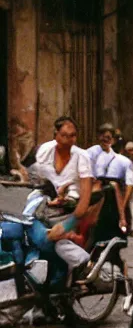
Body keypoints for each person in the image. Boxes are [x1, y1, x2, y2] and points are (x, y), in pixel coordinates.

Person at [20, 117, 96, 285]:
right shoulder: (43, 151)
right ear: (56, 135)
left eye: (73, 136)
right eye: (64, 135)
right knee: (20, 232)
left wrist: (66, 226)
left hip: (70, 212)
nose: (69, 140)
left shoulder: (82, 157)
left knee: (44, 239)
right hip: (46, 207)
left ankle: (81, 263)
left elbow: (83, 203)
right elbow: (31, 177)